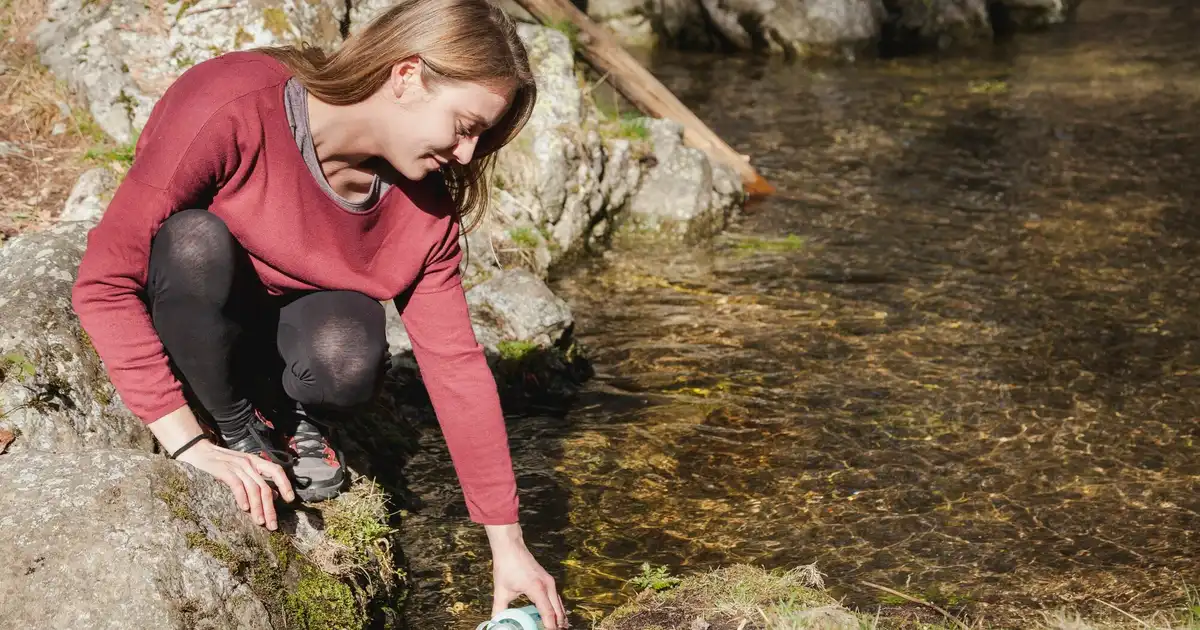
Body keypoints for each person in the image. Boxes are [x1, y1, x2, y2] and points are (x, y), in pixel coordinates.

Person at [70, 0, 568, 626]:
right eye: (465, 126)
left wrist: (507, 540)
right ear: (407, 75)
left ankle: (280, 408)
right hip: (195, 305)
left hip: (286, 329)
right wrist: (190, 443)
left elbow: (456, 366)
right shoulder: (231, 102)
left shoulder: (425, 209)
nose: (468, 155)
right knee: (195, 243)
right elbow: (104, 283)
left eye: (481, 138)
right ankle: (234, 418)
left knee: (346, 357)